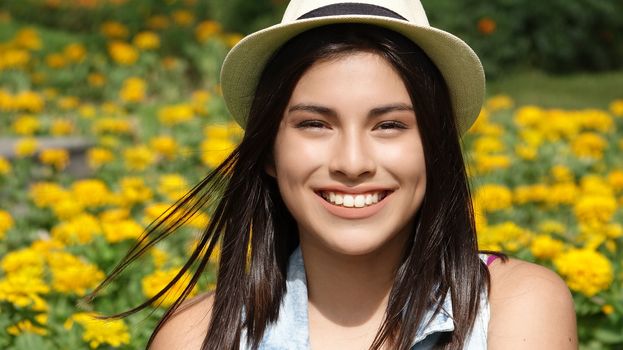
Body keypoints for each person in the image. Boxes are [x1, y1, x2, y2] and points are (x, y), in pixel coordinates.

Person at [88, 1, 578, 349]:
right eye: (314, 124)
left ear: (436, 149)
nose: (351, 161)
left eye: (389, 125)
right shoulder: (197, 337)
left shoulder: (515, 308)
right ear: (269, 152)